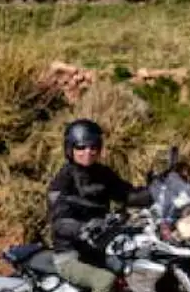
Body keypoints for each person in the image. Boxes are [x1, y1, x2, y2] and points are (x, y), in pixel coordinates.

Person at [47, 119, 153, 292]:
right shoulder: (62, 182)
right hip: (71, 255)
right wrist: (82, 228)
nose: (87, 152)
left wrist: (157, 191)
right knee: (105, 281)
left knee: (139, 264)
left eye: (93, 146)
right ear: (69, 149)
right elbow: (59, 222)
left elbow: (127, 195)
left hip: (100, 247)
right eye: (80, 147)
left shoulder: (103, 174)